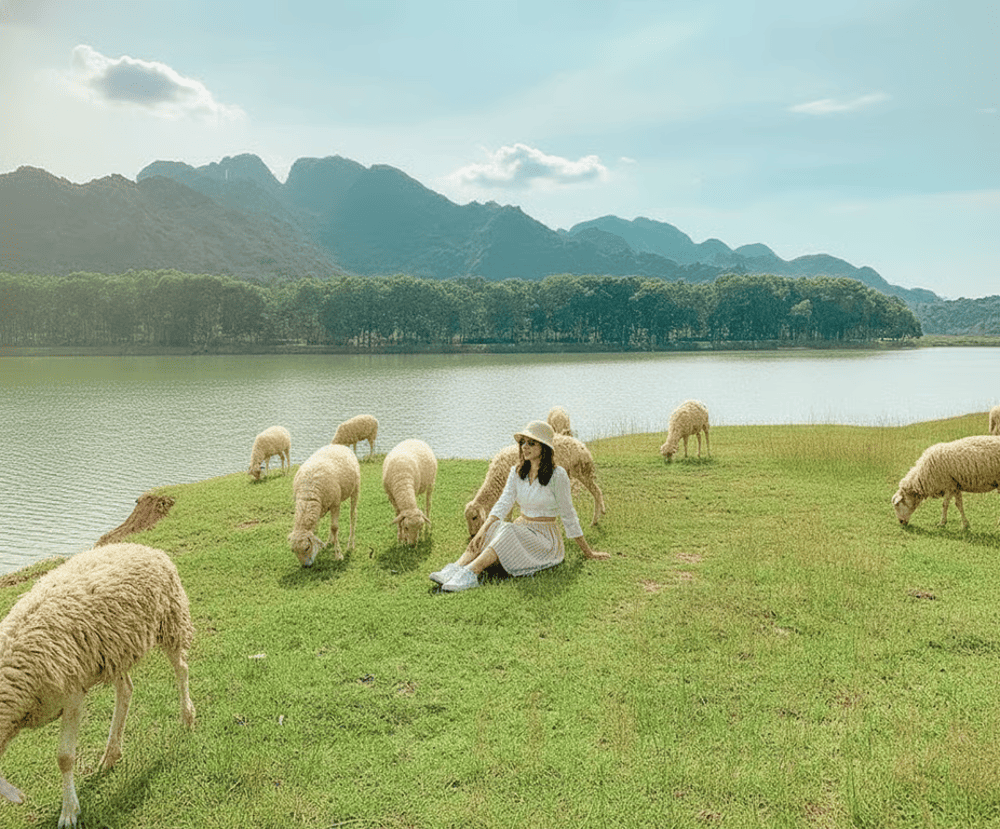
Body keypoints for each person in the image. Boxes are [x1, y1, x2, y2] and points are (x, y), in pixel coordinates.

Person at [430, 420, 610, 592]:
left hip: (544, 540)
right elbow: (502, 504)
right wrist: (483, 530)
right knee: (494, 527)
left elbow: (568, 514)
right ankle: (456, 568)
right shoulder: (516, 473)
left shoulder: (558, 476)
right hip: (522, 529)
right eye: (523, 442)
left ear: (544, 448)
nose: (525, 447)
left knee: (507, 530)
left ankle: (471, 573)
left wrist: (588, 552)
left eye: (532, 443)